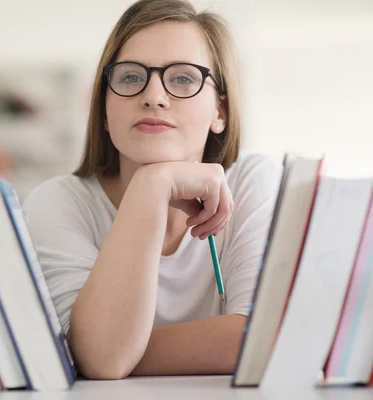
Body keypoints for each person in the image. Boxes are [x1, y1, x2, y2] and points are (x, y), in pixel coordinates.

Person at [23, 0, 282, 380]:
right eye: (130, 77)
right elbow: (104, 361)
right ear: (105, 110)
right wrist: (152, 185)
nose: (154, 96)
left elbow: (259, 338)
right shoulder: (59, 204)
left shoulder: (252, 182)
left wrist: (102, 349)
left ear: (219, 112)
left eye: (182, 78)